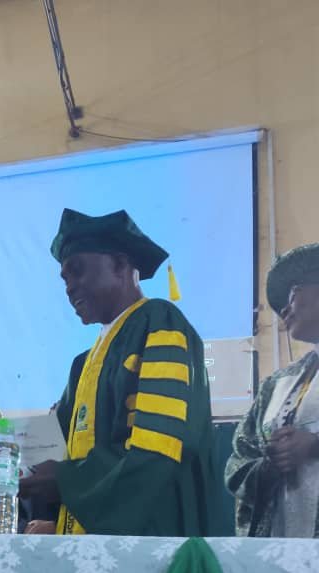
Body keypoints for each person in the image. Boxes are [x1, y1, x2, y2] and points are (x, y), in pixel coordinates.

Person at [20, 208, 214, 536]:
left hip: (150, 543)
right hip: (91, 543)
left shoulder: (159, 323)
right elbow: (53, 446)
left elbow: (158, 449)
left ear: (121, 265)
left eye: (77, 271)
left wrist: (66, 480)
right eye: (64, 279)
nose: (69, 287)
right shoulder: (84, 363)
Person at [226, 244, 319, 537]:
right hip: (280, 556)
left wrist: (313, 445)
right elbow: (239, 462)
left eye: (292, 293)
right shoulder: (276, 385)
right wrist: (269, 465)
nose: (283, 311)